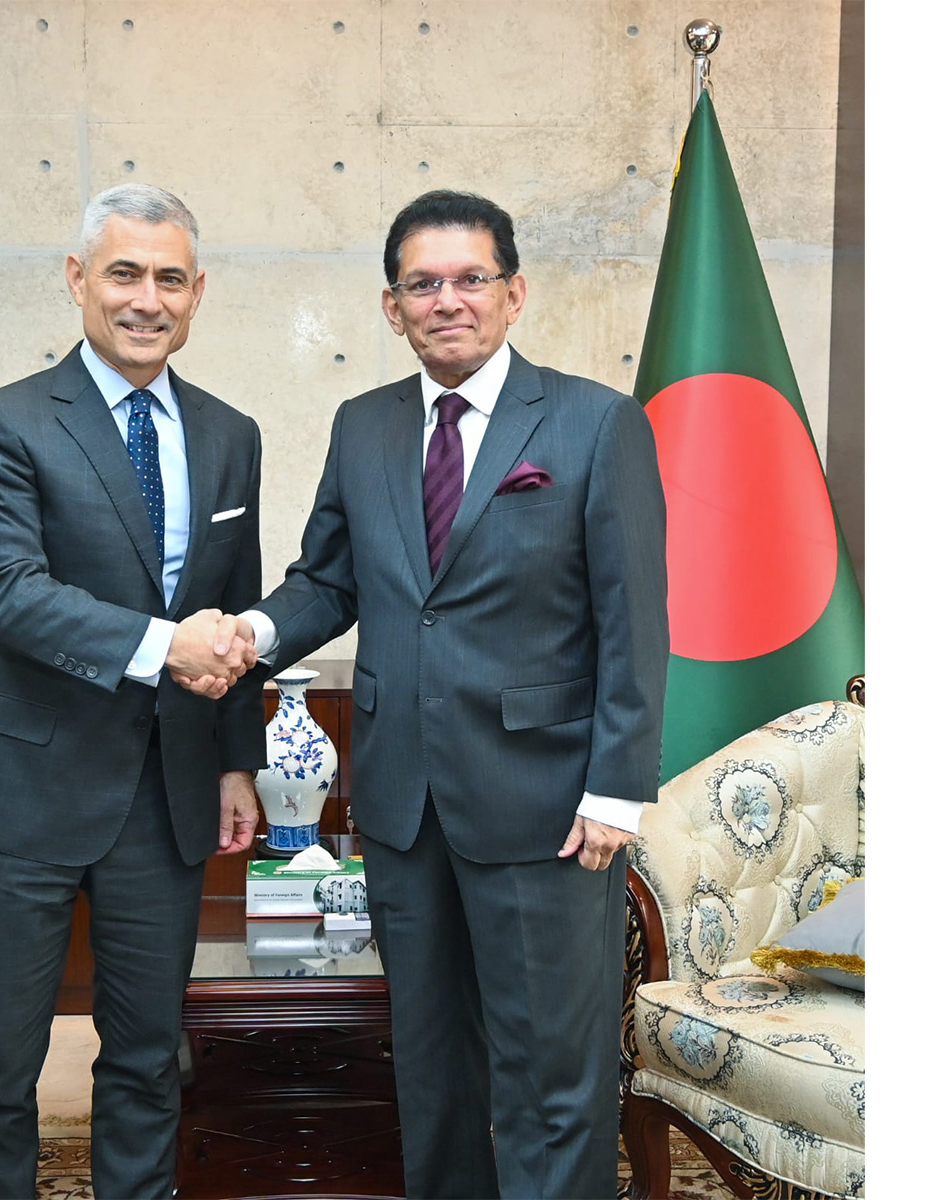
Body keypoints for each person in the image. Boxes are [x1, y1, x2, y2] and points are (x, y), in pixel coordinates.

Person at [206, 189, 669, 1198]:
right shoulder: (363, 425)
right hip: (404, 806)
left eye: (469, 280)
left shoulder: (595, 423)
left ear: (514, 295)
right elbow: (328, 579)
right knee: (430, 1067)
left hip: (548, 808)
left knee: (553, 1074)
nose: (445, 300)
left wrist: (616, 790)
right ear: (391, 307)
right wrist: (252, 634)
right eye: (423, 284)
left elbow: (636, 614)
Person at [0, 183, 264, 1199]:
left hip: (164, 795)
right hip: (23, 793)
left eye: (169, 278)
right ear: (78, 280)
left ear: (197, 293)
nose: (145, 298)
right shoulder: (0, 425)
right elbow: (6, 596)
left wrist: (237, 762)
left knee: (146, 1055)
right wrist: (167, 644)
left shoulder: (229, 434)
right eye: (124, 272)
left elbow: (235, 599)